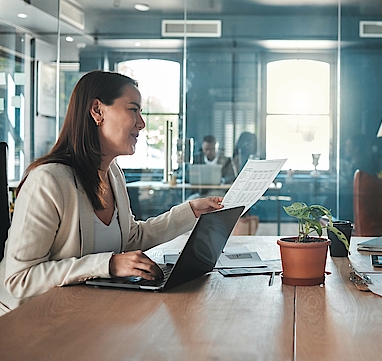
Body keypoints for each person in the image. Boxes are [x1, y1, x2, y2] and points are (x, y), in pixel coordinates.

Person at [0, 70, 223, 315]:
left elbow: (130, 239)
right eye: (133, 109)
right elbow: (19, 278)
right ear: (97, 111)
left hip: (86, 312)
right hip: (33, 321)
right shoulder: (48, 181)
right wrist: (108, 264)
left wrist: (190, 212)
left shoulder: (113, 174)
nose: (142, 123)